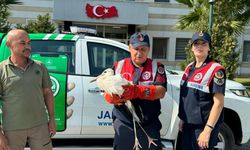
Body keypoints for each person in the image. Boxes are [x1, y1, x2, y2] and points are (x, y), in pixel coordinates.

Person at [103, 32, 167, 150]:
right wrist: (110, 97)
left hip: (149, 125)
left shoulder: (156, 67)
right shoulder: (118, 66)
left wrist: (137, 91)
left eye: (143, 49)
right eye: (136, 48)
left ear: (148, 49)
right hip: (124, 122)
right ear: (130, 48)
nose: (139, 52)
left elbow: (161, 91)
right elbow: (106, 90)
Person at [0, 29, 56, 150]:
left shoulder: (40, 67)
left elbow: (47, 93)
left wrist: (52, 119)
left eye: (29, 43)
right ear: (9, 44)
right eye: (22, 43)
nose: (28, 47)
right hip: (13, 129)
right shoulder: (1, 70)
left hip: (39, 126)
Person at [178, 32, 226, 150]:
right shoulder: (190, 67)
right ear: (192, 48)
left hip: (202, 128)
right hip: (188, 125)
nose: (199, 47)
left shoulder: (216, 70)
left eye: (203, 44)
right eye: (196, 44)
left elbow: (218, 104)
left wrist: (207, 131)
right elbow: (188, 97)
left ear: (209, 47)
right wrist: (183, 119)